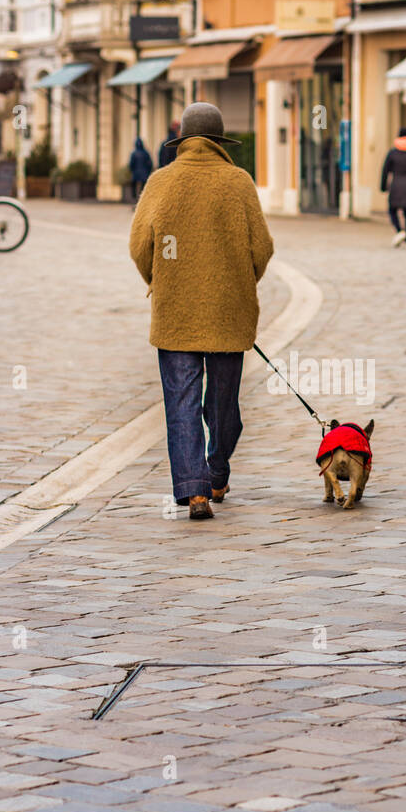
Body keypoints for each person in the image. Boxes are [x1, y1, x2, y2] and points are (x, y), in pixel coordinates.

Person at [129, 102, 273, 520]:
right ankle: (218, 471)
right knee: (223, 403)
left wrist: (161, 282)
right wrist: (239, 284)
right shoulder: (238, 182)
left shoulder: (161, 181)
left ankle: (195, 490)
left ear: (182, 141)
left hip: (175, 314)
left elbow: (140, 247)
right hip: (229, 313)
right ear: (219, 142)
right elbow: (262, 249)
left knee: (182, 402)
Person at [129, 137, 153, 202]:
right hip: (144, 174)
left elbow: (131, 164)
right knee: (143, 189)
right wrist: (148, 171)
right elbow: (150, 164)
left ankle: (134, 199)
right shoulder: (146, 153)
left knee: (134, 187)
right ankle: (142, 201)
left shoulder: (134, 153)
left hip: (136, 174)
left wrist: (132, 171)